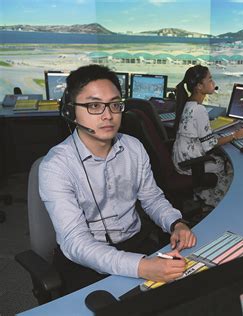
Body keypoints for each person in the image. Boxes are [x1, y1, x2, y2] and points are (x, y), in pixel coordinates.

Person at [39, 64, 196, 294]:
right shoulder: (55, 167)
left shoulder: (133, 147)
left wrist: (176, 223)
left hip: (137, 244)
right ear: (71, 112)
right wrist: (142, 267)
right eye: (94, 105)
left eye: (114, 104)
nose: (108, 115)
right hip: (85, 259)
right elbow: (75, 242)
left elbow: (152, 198)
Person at [172, 65, 243, 208]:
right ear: (199, 86)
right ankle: (217, 202)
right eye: (210, 79)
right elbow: (209, 144)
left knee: (220, 158)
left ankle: (202, 196)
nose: (213, 83)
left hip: (180, 160)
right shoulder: (199, 110)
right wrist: (235, 135)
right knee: (225, 164)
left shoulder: (189, 104)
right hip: (190, 164)